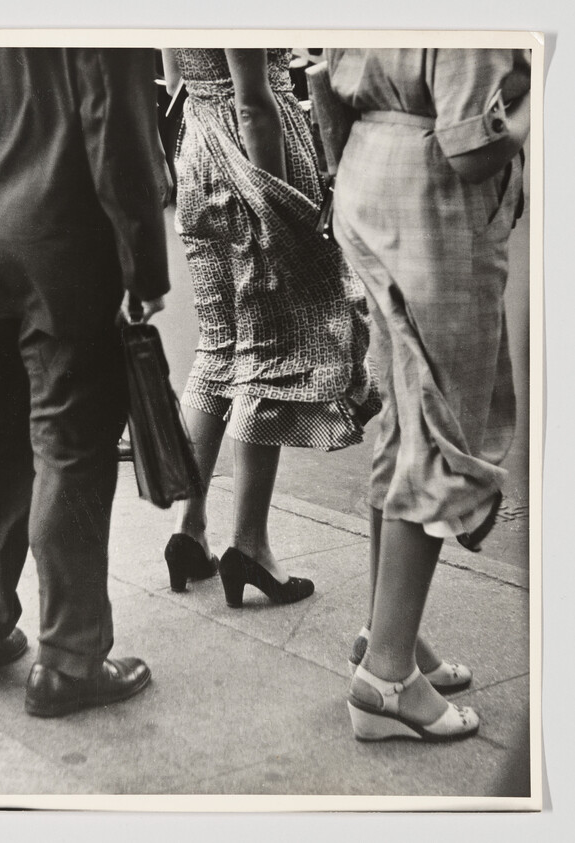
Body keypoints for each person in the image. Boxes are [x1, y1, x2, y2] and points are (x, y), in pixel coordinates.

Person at [0, 47, 171, 717]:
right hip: (63, 229)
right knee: (72, 442)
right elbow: (118, 128)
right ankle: (71, 659)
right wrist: (144, 265)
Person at [326, 47, 530, 740]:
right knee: (438, 429)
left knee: (402, 418)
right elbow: (471, 143)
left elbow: (327, 82)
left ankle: (387, 631)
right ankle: (386, 677)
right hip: (433, 194)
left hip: (369, 168)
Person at [161, 48, 379, 607]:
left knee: (220, 344)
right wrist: (279, 208)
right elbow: (254, 104)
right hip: (251, 158)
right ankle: (249, 545)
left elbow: (175, 76)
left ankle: (188, 529)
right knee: (271, 352)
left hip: (198, 147)